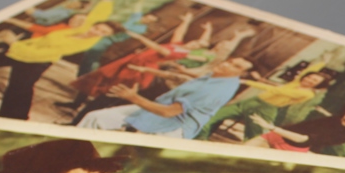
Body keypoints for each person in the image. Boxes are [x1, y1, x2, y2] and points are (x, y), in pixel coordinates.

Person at [66, 12, 254, 122]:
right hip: (128, 66)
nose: (196, 43)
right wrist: (188, 21)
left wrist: (140, 38)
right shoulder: (178, 44)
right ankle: (81, 113)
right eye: (195, 42)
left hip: (137, 73)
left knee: (108, 97)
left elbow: (158, 49)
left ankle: (83, 120)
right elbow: (183, 34)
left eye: (198, 46)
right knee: (99, 87)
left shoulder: (181, 53)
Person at [76, 57, 253, 138]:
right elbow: (183, 79)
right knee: (96, 117)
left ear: (239, 74)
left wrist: (133, 97)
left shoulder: (216, 90)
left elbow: (169, 113)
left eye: (234, 66)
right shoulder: (216, 76)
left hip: (173, 127)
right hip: (158, 110)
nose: (225, 64)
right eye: (229, 60)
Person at [196, 55, 333, 141]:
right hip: (250, 103)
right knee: (210, 117)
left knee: (254, 137)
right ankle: (200, 140)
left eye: (314, 81)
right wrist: (323, 62)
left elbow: (274, 90)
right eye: (309, 78)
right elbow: (306, 72)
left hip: (265, 110)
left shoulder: (306, 94)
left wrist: (248, 82)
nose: (309, 80)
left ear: (318, 86)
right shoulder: (296, 83)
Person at [244, 106, 345, 153]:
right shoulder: (335, 118)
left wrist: (271, 127)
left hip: (292, 149)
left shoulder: (342, 137)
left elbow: (303, 139)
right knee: (243, 150)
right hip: (275, 136)